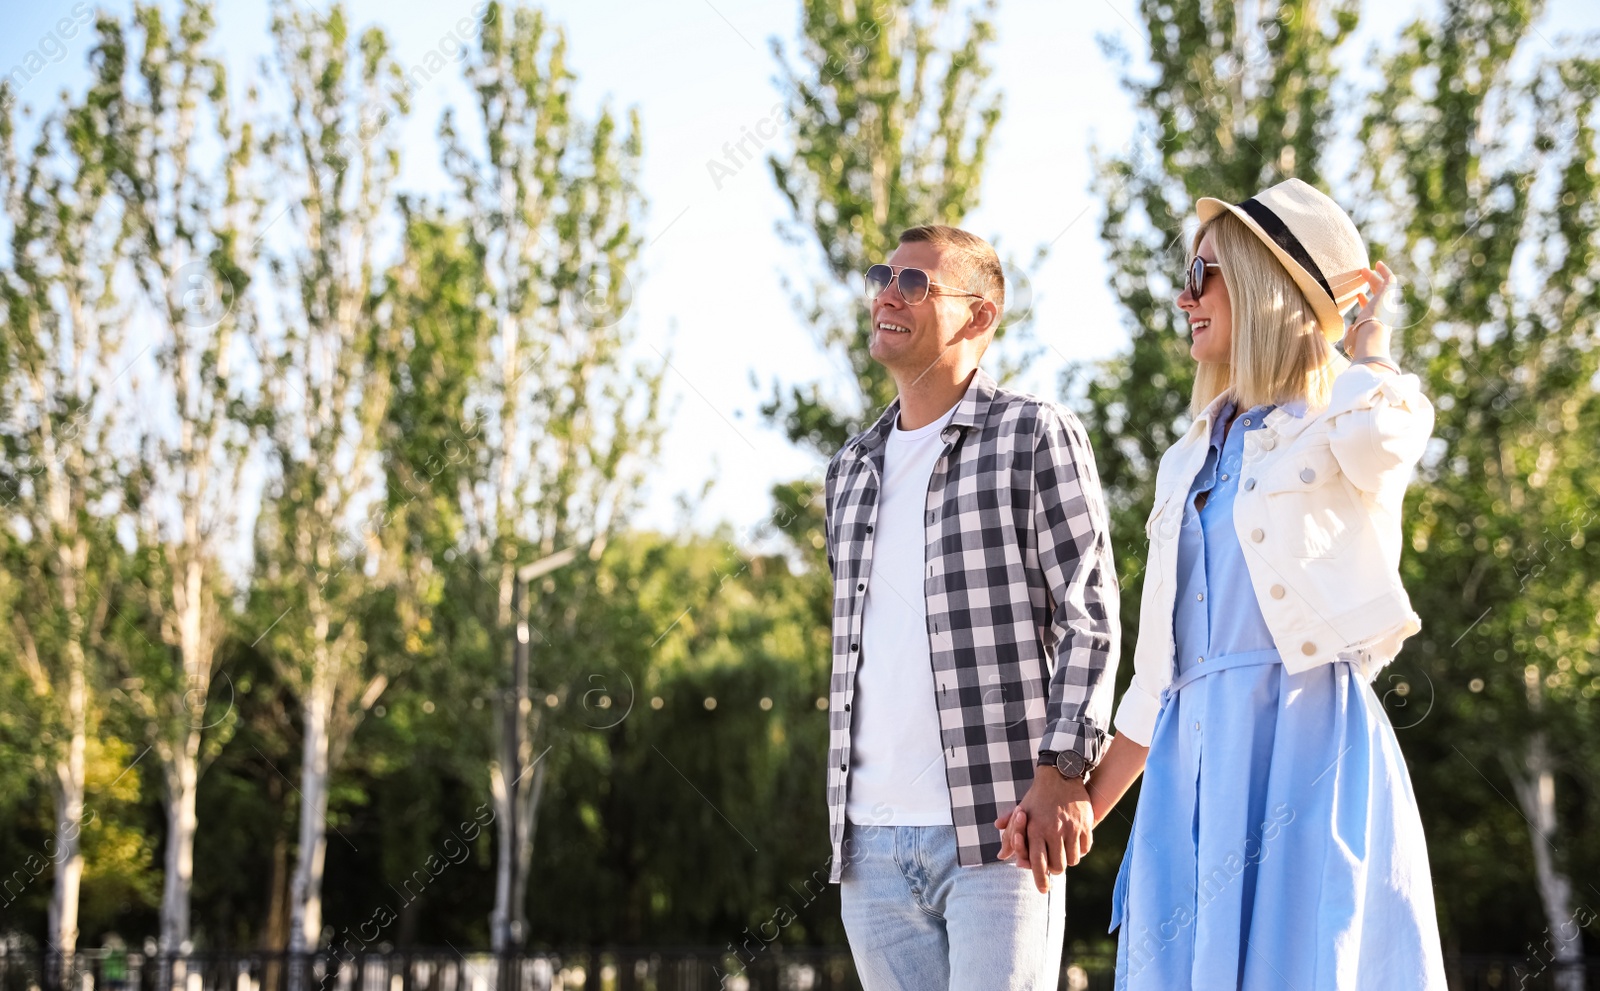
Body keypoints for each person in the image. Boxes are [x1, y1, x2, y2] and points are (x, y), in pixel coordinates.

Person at [1002, 177, 1447, 989]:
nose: (1184, 295)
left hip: (1307, 743)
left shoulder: (1340, 419)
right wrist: (1078, 808)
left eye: (1205, 273)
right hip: (1190, 758)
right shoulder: (1187, 456)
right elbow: (1157, 674)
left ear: (1262, 286)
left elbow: (1389, 437)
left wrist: (1370, 345)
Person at [822, 224, 1121, 991]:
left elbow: (1091, 616)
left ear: (980, 316)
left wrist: (1063, 768)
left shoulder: (1034, 435)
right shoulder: (848, 469)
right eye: (884, 277)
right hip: (870, 847)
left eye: (916, 283)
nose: (888, 293)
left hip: (999, 832)